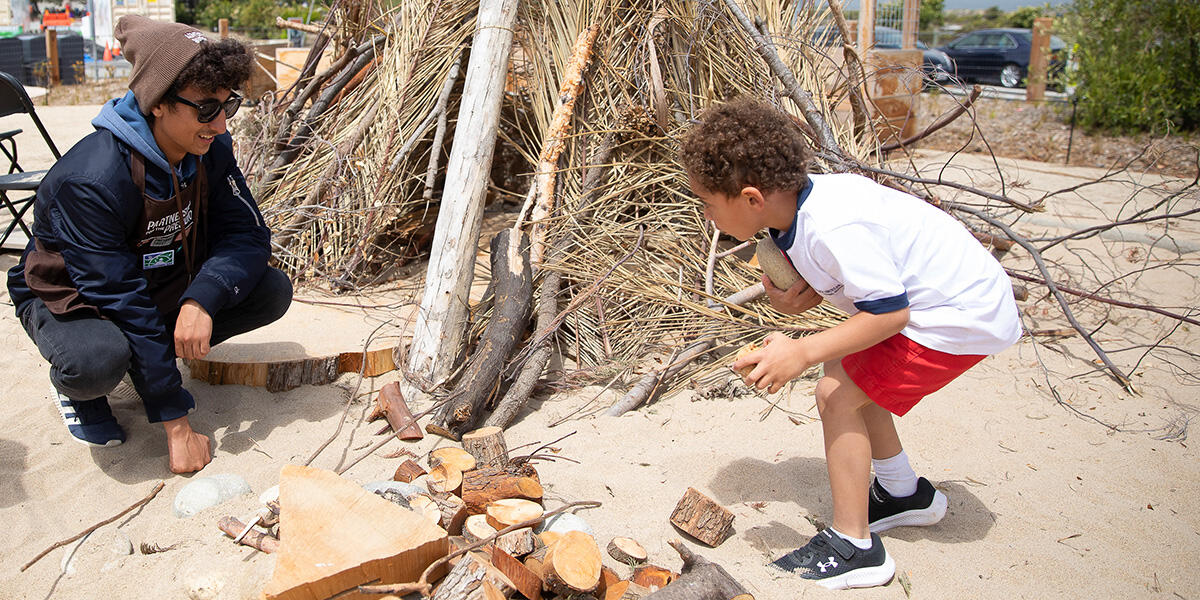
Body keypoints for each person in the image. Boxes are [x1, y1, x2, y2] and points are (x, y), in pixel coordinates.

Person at [680, 98, 1021, 590]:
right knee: (845, 366)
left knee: (836, 393)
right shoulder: (794, 213)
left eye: (709, 204)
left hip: (958, 317)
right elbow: (858, 280)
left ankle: (856, 546)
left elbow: (892, 313)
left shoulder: (832, 224)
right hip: (946, 306)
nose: (708, 217)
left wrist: (800, 351)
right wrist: (807, 295)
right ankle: (905, 495)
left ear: (752, 198)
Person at [6, 16, 292, 474]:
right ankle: (85, 388)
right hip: (75, 297)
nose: (219, 125)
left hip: (156, 277)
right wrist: (176, 424)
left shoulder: (210, 150)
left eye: (228, 106)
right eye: (205, 109)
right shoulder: (91, 179)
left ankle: (146, 367)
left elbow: (249, 234)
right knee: (96, 360)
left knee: (270, 290)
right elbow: (118, 296)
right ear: (157, 102)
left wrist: (201, 299)